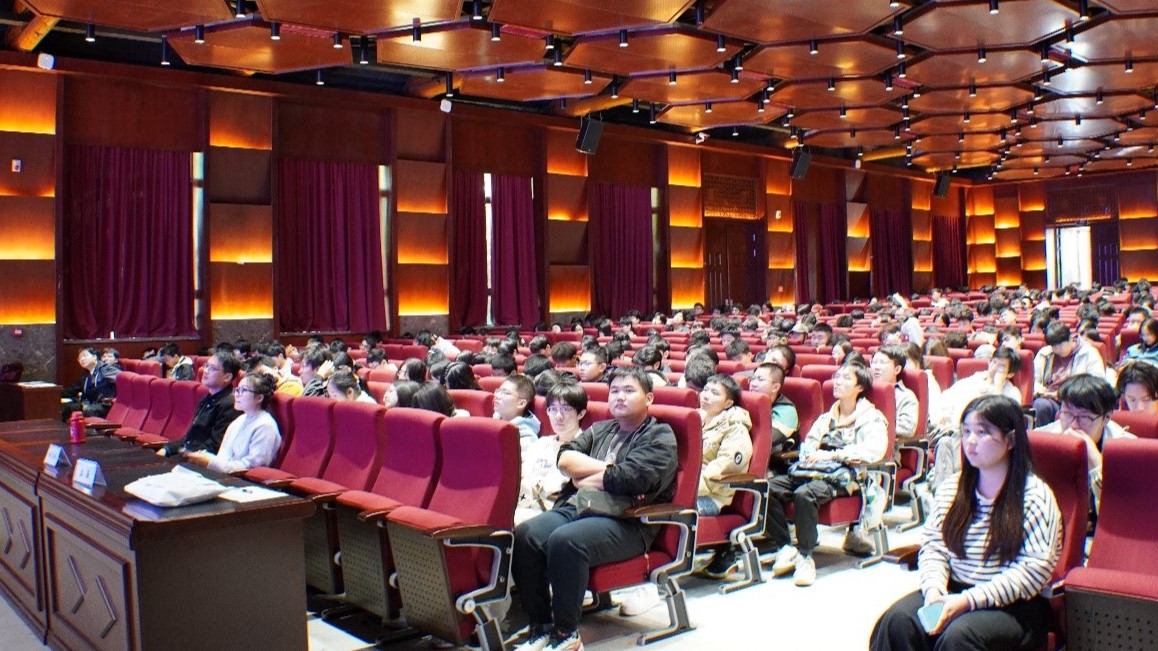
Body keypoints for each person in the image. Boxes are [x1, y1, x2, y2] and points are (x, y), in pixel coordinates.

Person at [870, 395, 1062, 651]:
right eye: (966, 431)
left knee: (958, 637)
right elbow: (934, 547)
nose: (971, 441)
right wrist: (934, 590)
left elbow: (1033, 569)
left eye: (983, 432)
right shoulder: (953, 489)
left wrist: (968, 601)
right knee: (897, 621)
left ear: (1011, 440)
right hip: (954, 590)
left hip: (1013, 605)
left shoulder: (1034, 495)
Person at [512, 367, 677, 651]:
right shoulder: (602, 429)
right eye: (615, 391)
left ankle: (566, 634)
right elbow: (565, 458)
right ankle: (541, 625)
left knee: (566, 541)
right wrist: (607, 470)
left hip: (627, 521)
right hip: (581, 506)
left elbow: (633, 477)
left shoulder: (659, 435)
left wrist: (586, 477)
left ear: (649, 398)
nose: (619, 397)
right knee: (526, 535)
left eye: (629, 391)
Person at [766, 363, 888, 587]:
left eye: (846, 378)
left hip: (847, 476)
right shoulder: (827, 417)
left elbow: (874, 451)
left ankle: (805, 557)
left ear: (860, 387)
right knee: (767, 489)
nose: (838, 381)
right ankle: (785, 547)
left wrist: (833, 455)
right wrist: (812, 454)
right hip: (814, 470)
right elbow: (810, 444)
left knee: (805, 494)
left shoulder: (871, 418)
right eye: (837, 376)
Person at [1037, 374, 1134, 511]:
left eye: (1084, 417)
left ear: (1106, 417)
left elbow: (1119, 509)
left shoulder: (1126, 449)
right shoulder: (1043, 437)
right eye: (1067, 414)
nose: (1073, 425)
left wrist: (1095, 461)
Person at [695, 374, 754, 579]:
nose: (706, 395)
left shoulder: (735, 428)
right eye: (705, 390)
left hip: (711, 496)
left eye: (714, 393)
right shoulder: (695, 418)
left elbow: (723, 467)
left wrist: (684, 488)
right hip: (685, 488)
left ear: (728, 403)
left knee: (664, 510)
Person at [516, 382, 588, 526]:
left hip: (556, 516)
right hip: (523, 506)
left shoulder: (588, 449)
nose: (558, 416)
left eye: (566, 409)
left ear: (581, 413)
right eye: (553, 409)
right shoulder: (540, 444)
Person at [184, 372, 281, 473]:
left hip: (242, 480)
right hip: (223, 475)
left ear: (259, 398)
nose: (236, 395)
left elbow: (252, 467)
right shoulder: (239, 420)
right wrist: (203, 457)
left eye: (243, 390)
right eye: (237, 389)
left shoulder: (265, 426)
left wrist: (210, 462)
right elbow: (223, 457)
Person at [159, 352, 243, 457]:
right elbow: (190, 437)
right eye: (206, 366)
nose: (205, 371)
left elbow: (216, 445)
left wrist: (187, 453)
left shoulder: (230, 404)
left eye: (212, 368)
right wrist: (167, 449)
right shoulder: (206, 398)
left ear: (227, 377)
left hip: (200, 459)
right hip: (188, 453)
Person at [934, 346, 1022, 434]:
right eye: (994, 362)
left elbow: (1002, 422)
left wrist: (998, 388)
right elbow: (948, 396)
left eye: (1001, 366)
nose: (994, 368)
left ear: (1010, 374)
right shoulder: (975, 378)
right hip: (952, 427)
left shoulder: (1012, 393)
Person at [1032, 322, 1105, 425]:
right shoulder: (1045, 353)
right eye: (1054, 346)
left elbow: (1096, 383)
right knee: (1040, 405)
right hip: (1049, 398)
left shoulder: (1089, 353)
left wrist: (1064, 394)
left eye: (1061, 345)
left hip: (1076, 400)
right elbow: (1034, 379)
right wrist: (1039, 389)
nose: (1058, 350)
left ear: (1070, 339)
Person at [747, 362, 799, 451]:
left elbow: (766, 439)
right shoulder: (747, 401)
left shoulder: (787, 410)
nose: (753, 384)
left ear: (775, 387)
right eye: (752, 379)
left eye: (760, 380)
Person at [871, 346, 920, 440]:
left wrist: (871, 426)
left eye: (882, 363)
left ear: (897, 369)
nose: (876, 367)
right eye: (874, 362)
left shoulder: (906, 396)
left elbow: (907, 429)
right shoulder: (863, 391)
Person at [61, 347, 119, 419]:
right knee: (67, 407)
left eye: (85, 355)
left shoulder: (105, 369)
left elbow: (122, 378)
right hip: (90, 403)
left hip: (104, 405)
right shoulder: (87, 373)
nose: (82, 359)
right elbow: (73, 389)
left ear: (94, 357)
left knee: (87, 411)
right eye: (80, 358)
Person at [494, 374, 541, 454]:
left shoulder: (526, 438)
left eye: (506, 393)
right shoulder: (494, 421)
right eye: (498, 391)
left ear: (521, 403)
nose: (497, 396)